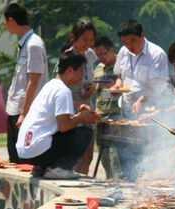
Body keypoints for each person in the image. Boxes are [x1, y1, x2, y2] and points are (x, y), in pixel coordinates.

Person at [16, 51, 101, 179]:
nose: (82, 76)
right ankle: (59, 169)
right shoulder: (63, 90)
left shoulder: (51, 85)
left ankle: (41, 167)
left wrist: (78, 107)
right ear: (70, 70)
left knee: (64, 131)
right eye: (81, 71)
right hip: (37, 151)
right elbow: (64, 126)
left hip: (25, 151)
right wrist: (82, 118)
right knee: (85, 132)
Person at [4, 3, 48, 163]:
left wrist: (24, 113)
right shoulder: (24, 43)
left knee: (23, 160)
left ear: (11, 21)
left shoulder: (34, 44)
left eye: (5, 21)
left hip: (24, 111)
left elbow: (33, 82)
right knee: (14, 159)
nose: (5, 25)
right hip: (14, 108)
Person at [59, 19, 98, 175]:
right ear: (73, 37)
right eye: (84, 40)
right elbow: (61, 90)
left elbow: (91, 79)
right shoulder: (67, 58)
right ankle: (73, 187)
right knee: (77, 156)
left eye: (91, 40)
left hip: (88, 106)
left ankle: (84, 187)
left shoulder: (90, 54)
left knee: (88, 156)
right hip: (73, 109)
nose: (87, 44)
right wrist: (79, 106)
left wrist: (92, 88)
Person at [113, 19, 169, 119]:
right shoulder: (123, 51)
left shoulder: (156, 54)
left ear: (142, 35)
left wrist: (141, 101)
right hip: (126, 107)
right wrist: (117, 86)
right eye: (125, 42)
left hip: (148, 110)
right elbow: (119, 76)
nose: (129, 46)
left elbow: (156, 86)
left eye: (132, 41)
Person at [92, 36, 121, 179]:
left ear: (112, 50)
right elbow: (97, 92)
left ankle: (118, 181)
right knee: (103, 154)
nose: (100, 57)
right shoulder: (98, 68)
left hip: (117, 115)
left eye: (103, 53)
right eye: (97, 55)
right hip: (101, 116)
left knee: (115, 153)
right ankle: (109, 180)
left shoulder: (120, 66)